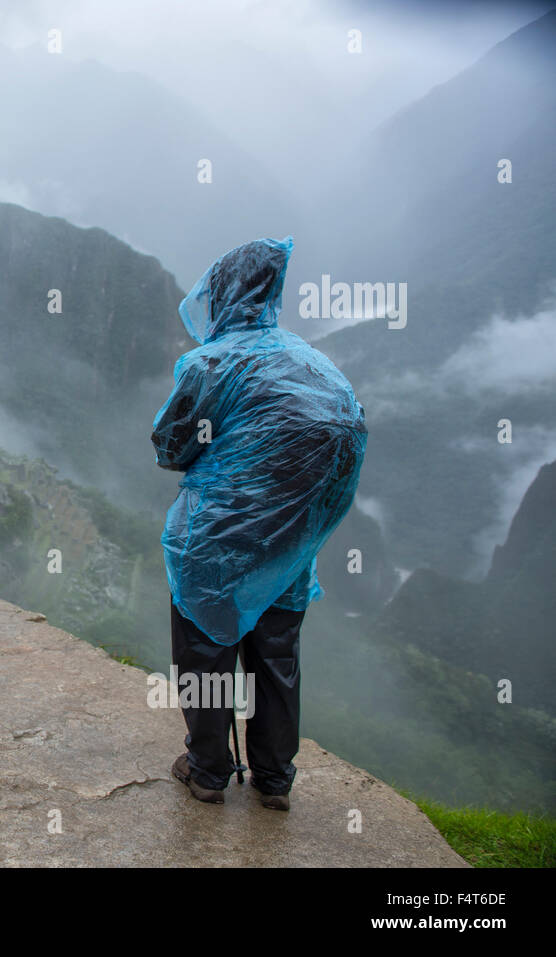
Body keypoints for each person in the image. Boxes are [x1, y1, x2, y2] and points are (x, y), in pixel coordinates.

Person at [151, 237, 366, 811]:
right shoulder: (317, 366)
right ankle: (274, 779)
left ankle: (207, 771)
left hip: (218, 542)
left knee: (206, 651)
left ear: (221, 293)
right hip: (290, 548)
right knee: (276, 656)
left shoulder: (213, 363)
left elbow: (171, 446)